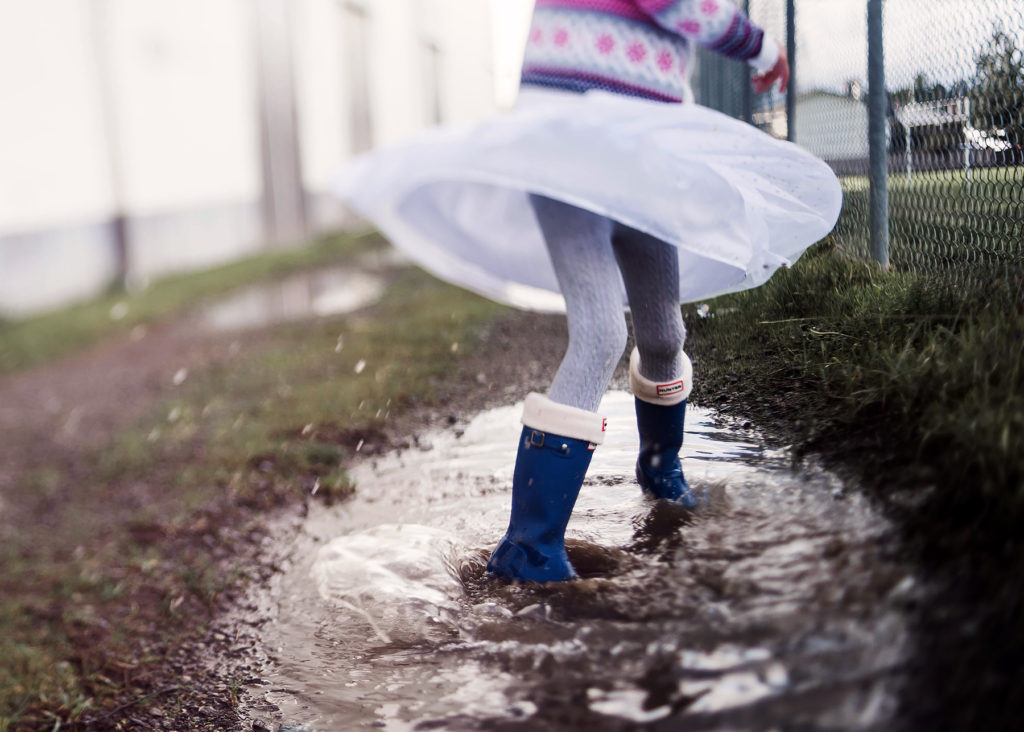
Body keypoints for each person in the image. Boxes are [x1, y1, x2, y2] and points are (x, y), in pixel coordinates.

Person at [334, 0, 841, 584]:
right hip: (571, 147)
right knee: (602, 332)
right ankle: (529, 545)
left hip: (644, 155)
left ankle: (660, 467)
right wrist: (761, 46)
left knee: (664, 332)